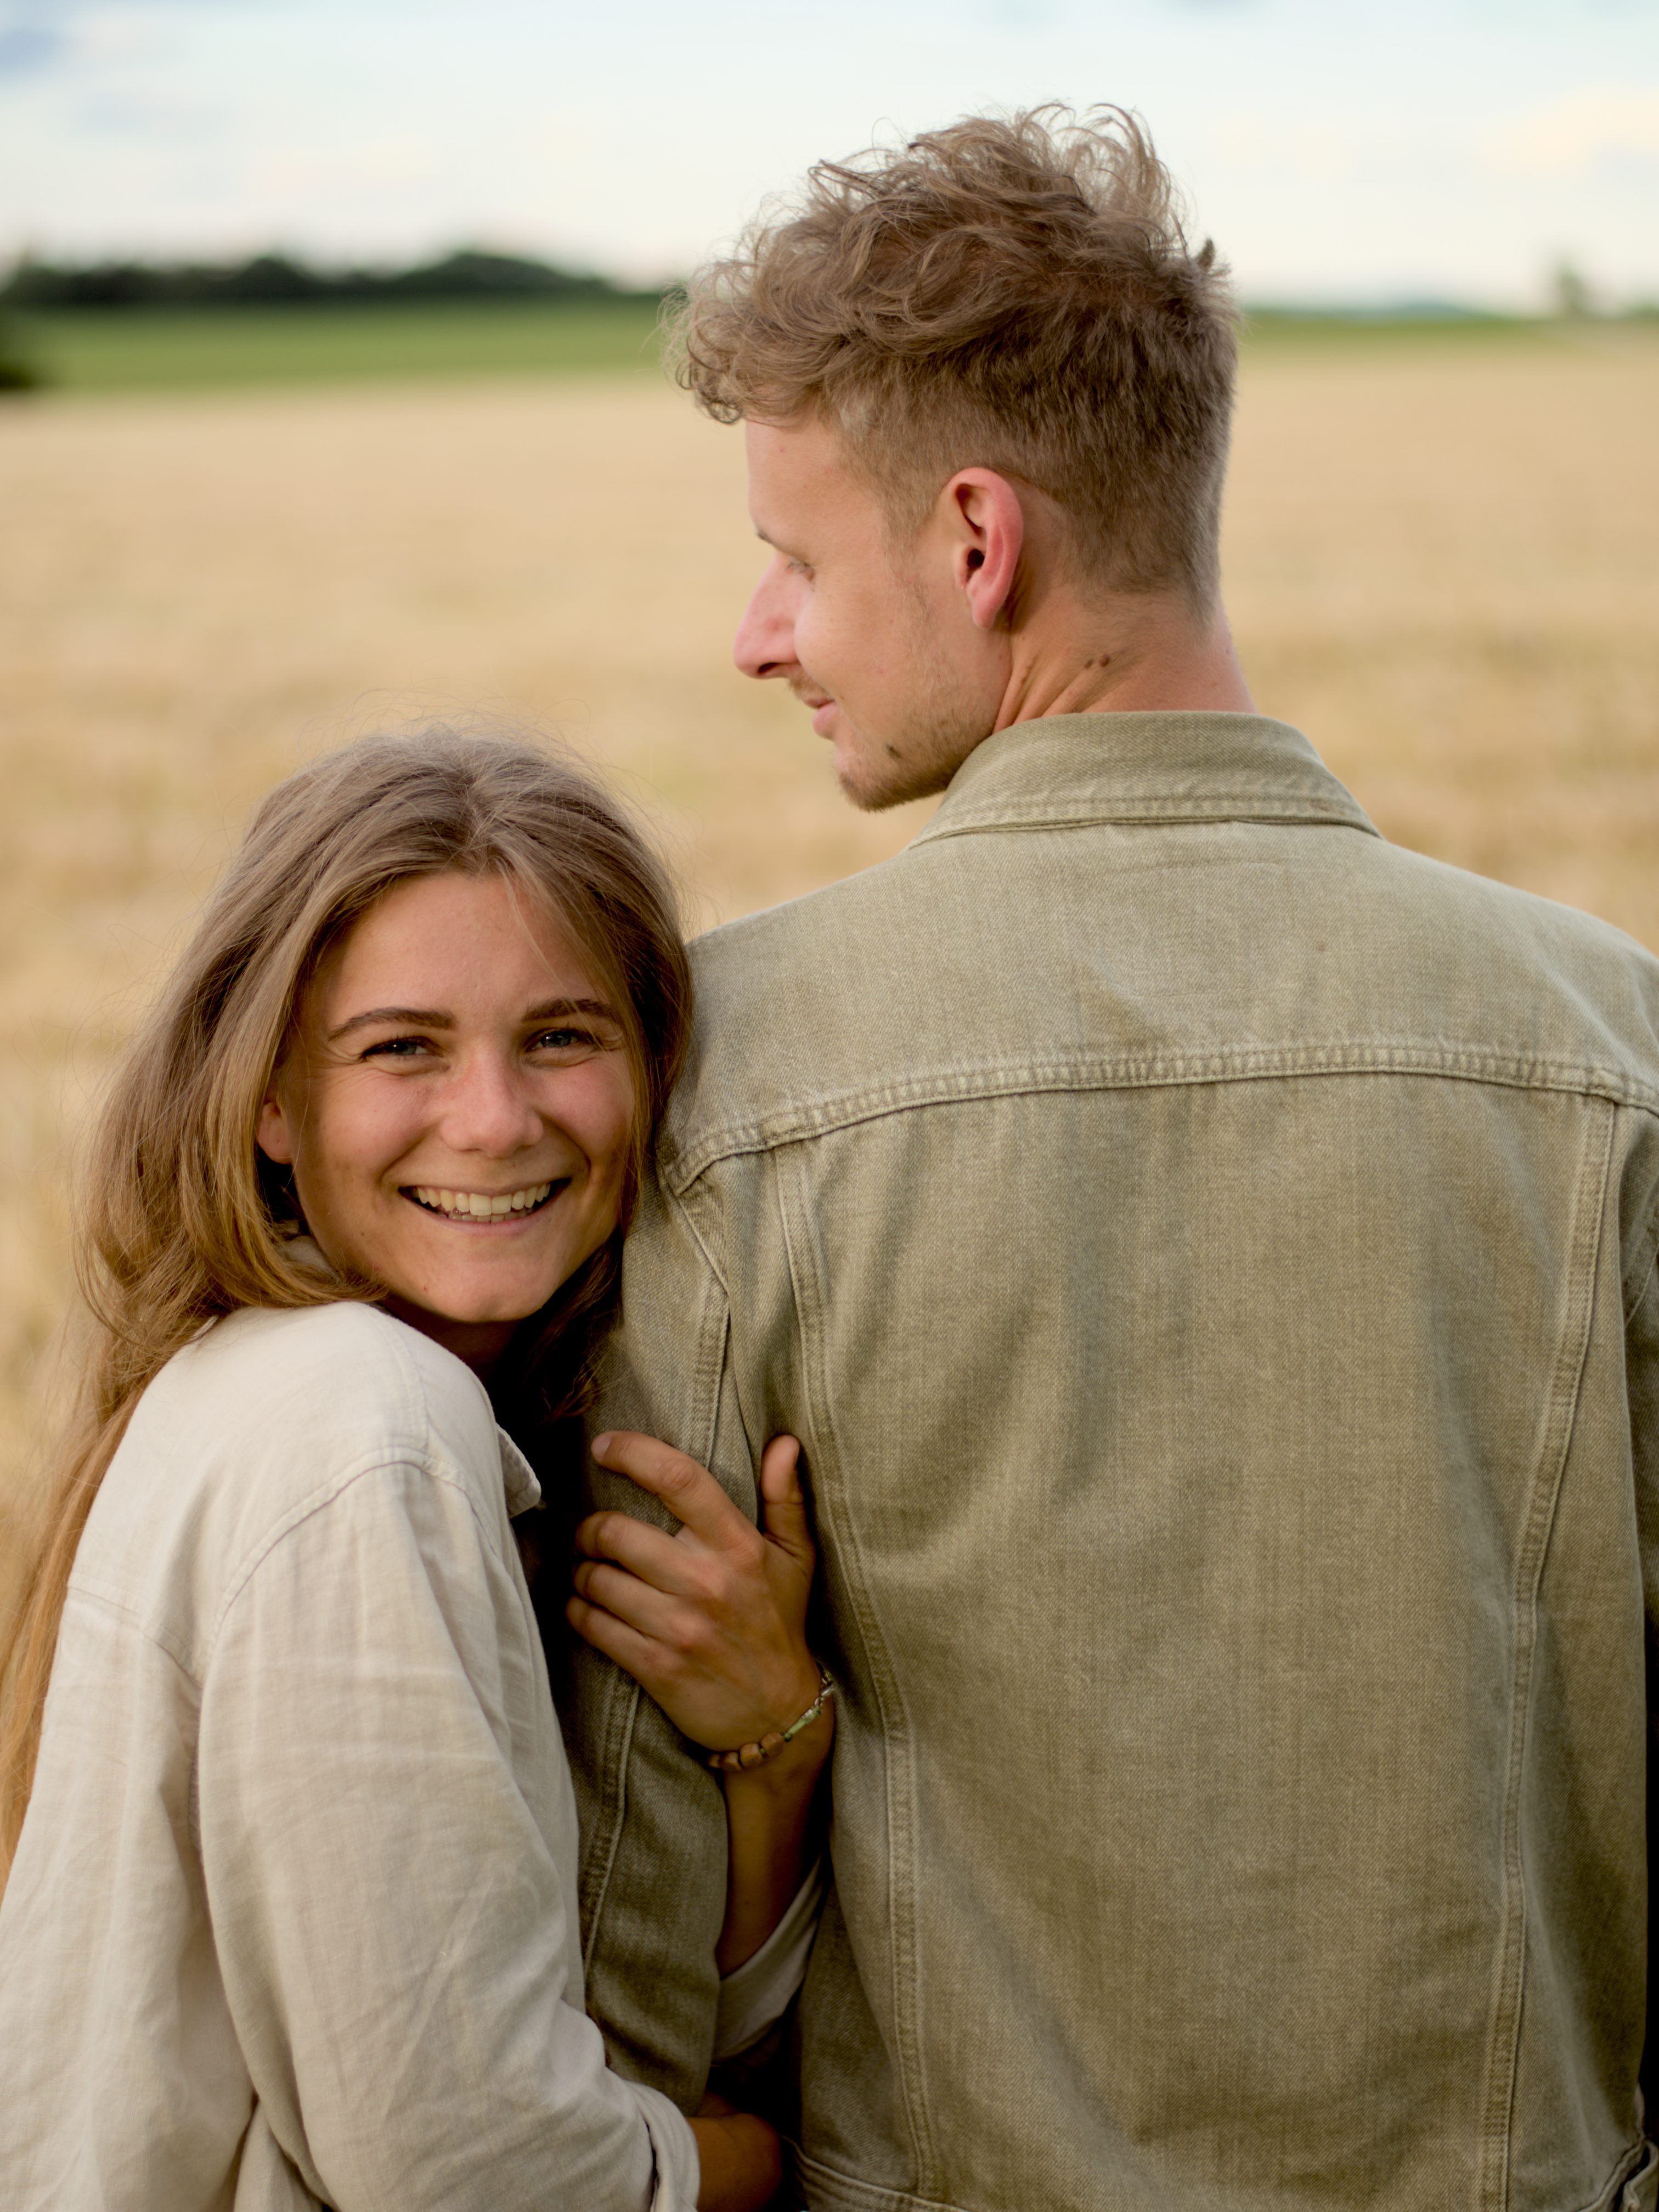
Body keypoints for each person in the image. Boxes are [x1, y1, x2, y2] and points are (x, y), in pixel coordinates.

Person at [558, 106, 1659, 2209]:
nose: (758, 637)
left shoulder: (726, 1083)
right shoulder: (1616, 1049)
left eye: (793, 560)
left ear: (978, 541)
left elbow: (635, 1903)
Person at [0, 731, 837, 2212]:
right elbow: (472, 2168)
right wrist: (758, 2173)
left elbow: (593, 2039)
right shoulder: (363, 1427)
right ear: (269, 1099)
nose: (495, 1121)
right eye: (402, 1048)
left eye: (564, 1037)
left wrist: (771, 1752)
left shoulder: (328, 1396)